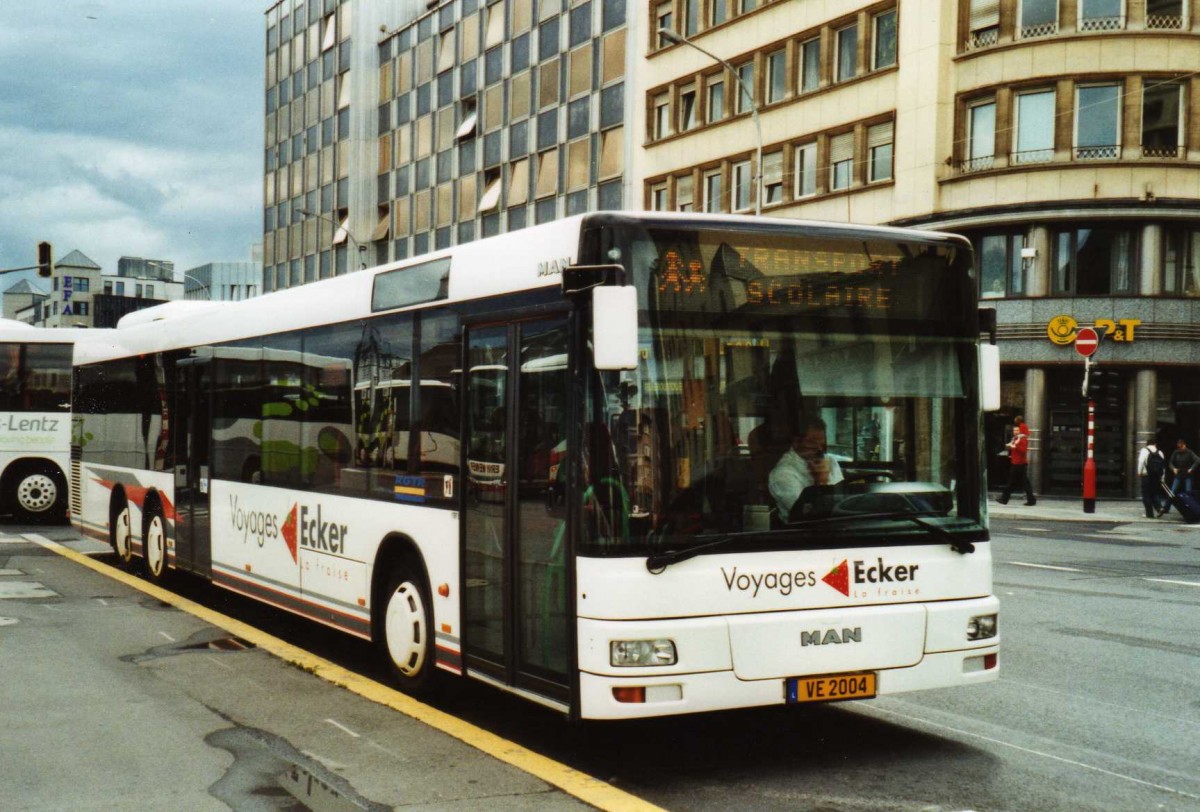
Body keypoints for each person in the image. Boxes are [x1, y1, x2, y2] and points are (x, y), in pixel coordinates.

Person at [769, 417, 844, 517]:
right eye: (813, 443)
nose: (819, 449)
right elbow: (807, 513)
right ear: (796, 442)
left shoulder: (830, 461)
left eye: (822, 443)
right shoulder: (783, 474)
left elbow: (843, 498)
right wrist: (821, 482)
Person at [997, 415, 1036, 506]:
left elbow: (1022, 450)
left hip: (1018, 463)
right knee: (1023, 483)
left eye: (1017, 430)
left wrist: (1014, 447)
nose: (1015, 432)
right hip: (1019, 462)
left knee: (1012, 483)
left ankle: (1004, 499)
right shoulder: (1019, 438)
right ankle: (1031, 500)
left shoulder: (1021, 439)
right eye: (1014, 430)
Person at [1162, 438, 1199, 515]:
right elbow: (1170, 462)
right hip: (1179, 474)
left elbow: (1198, 460)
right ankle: (1166, 507)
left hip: (1187, 474)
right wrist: (1173, 468)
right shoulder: (1176, 452)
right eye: (1179, 447)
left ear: (1184, 446)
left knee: (1188, 493)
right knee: (1172, 491)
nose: (1180, 449)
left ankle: (1190, 509)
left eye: (1181, 447)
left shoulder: (1189, 453)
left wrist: (1191, 468)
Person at [1137, 437, 1167, 519]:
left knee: (1146, 494)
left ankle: (1149, 514)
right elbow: (1163, 467)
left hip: (1146, 475)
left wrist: (1139, 471)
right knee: (1155, 493)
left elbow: (1141, 461)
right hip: (1157, 477)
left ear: (1147, 444)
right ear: (1155, 444)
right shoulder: (1160, 452)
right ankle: (1160, 508)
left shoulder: (1144, 450)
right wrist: (1162, 478)